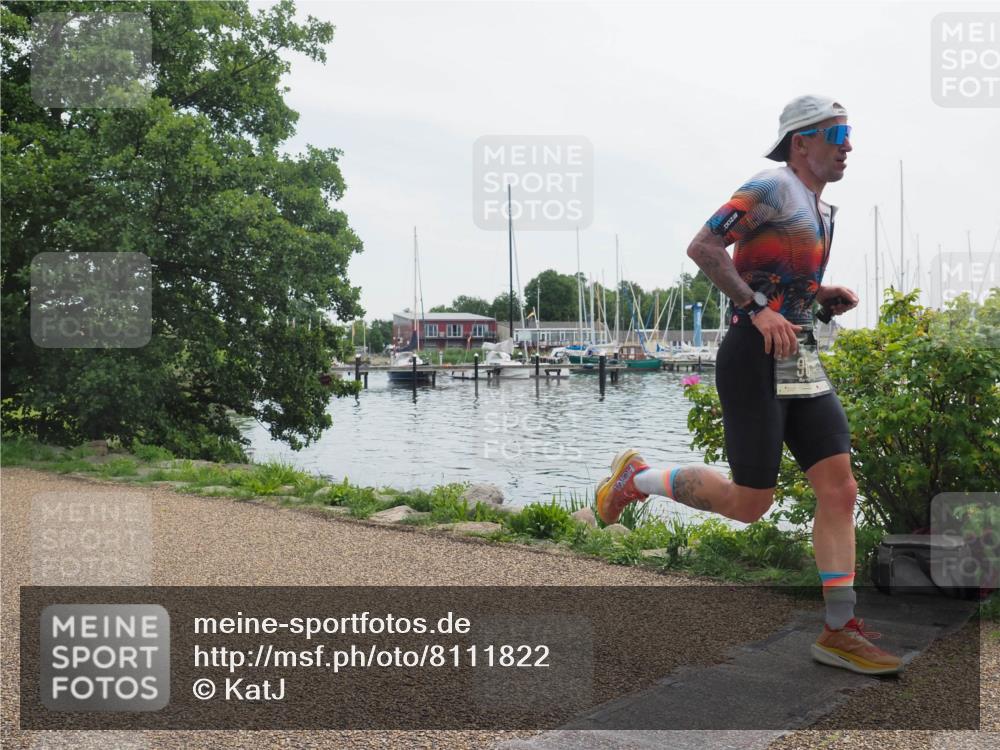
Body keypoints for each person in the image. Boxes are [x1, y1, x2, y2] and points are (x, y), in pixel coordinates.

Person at [596, 95, 903, 676]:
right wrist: (755, 306)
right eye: (838, 132)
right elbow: (704, 247)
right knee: (750, 504)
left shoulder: (821, 208)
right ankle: (639, 479)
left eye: (849, 133)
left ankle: (840, 629)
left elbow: (783, 281)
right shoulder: (769, 187)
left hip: (800, 358)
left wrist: (819, 298)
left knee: (840, 491)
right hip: (752, 356)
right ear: (801, 141)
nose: (848, 144)